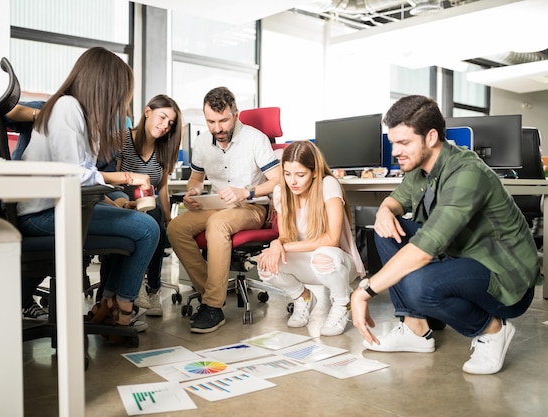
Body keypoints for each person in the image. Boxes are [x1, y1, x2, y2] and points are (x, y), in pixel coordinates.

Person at [350, 95, 541, 375]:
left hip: (504, 276)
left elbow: (425, 249)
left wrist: (363, 292)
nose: (394, 152)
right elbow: (395, 200)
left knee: (420, 287)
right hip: (462, 258)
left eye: (403, 143)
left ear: (430, 137)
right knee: (386, 231)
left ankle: (492, 330)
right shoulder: (421, 170)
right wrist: (384, 211)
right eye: (393, 142)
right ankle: (415, 329)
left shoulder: (467, 172)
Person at [16, 47, 160, 329]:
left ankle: (106, 305)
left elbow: (82, 182)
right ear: (105, 86)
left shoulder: (78, 114)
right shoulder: (66, 108)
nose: (123, 100)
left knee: (140, 229)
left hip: (58, 209)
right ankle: (121, 312)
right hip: (40, 217)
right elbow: (76, 176)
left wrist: (114, 203)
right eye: (122, 91)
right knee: (147, 229)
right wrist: (129, 178)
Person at [167, 86, 281, 333]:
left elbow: (277, 179)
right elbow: (196, 180)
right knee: (176, 227)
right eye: (211, 121)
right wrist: (193, 192)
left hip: (251, 207)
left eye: (223, 120)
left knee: (217, 224)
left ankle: (212, 306)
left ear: (236, 114)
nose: (217, 128)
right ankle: (210, 291)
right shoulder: (201, 142)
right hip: (217, 205)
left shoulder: (255, 139)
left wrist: (246, 191)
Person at [257, 141, 365, 336]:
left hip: (336, 264)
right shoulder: (281, 191)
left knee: (323, 255)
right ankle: (302, 297)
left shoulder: (328, 185)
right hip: (306, 262)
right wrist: (276, 244)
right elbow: (285, 236)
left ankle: (343, 303)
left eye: (300, 174)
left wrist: (285, 247)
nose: (293, 182)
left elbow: (332, 239)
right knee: (265, 263)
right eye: (287, 174)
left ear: (314, 172)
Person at [102, 94, 183, 317]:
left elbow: (163, 187)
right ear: (148, 112)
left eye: (170, 123)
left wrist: (169, 220)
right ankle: (133, 286)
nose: (165, 126)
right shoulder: (122, 139)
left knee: (156, 216)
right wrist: (124, 202)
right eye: (162, 117)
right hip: (119, 204)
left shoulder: (164, 149)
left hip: (148, 207)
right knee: (149, 219)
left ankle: (152, 288)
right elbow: (108, 179)